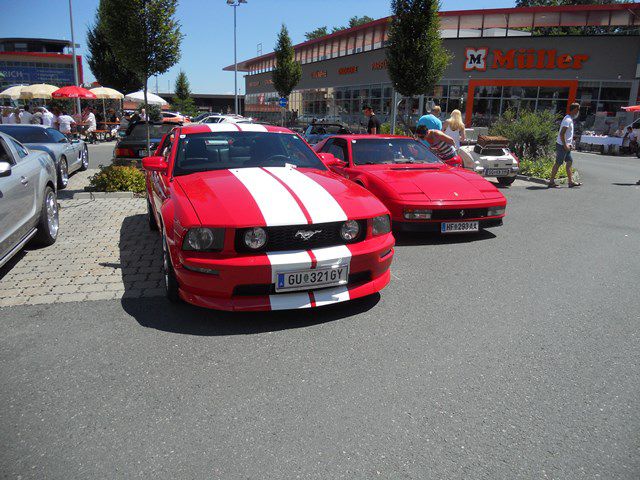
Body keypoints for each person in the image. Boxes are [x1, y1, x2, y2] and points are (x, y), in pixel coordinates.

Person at [549, 102, 581, 188]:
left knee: (569, 162)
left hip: (566, 145)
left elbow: (567, 134)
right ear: (574, 110)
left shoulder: (569, 119)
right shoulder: (567, 120)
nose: (578, 111)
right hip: (562, 145)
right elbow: (562, 133)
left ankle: (570, 182)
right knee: (558, 163)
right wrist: (565, 145)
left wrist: (570, 144)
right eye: (578, 109)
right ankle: (551, 182)